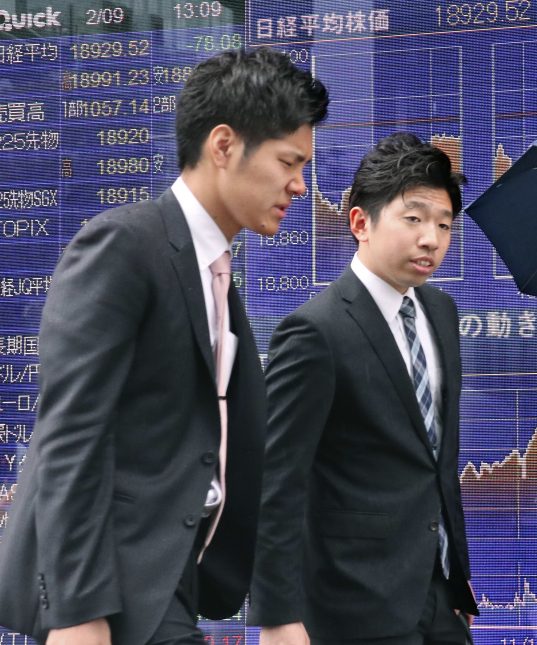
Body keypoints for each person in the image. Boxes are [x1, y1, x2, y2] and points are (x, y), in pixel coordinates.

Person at [0, 48, 328, 644]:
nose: (300, 186)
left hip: (174, 579)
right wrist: (77, 613)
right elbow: (72, 434)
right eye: (289, 162)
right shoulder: (124, 247)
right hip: (116, 586)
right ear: (223, 146)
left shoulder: (216, 276)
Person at [250, 132, 477, 645]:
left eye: (444, 225)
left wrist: (455, 580)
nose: (432, 239)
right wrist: (278, 616)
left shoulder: (441, 314)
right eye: (414, 218)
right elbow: (275, 482)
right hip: (352, 607)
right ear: (360, 223)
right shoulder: (315, 331)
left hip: (440, 602)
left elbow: (436, 463)